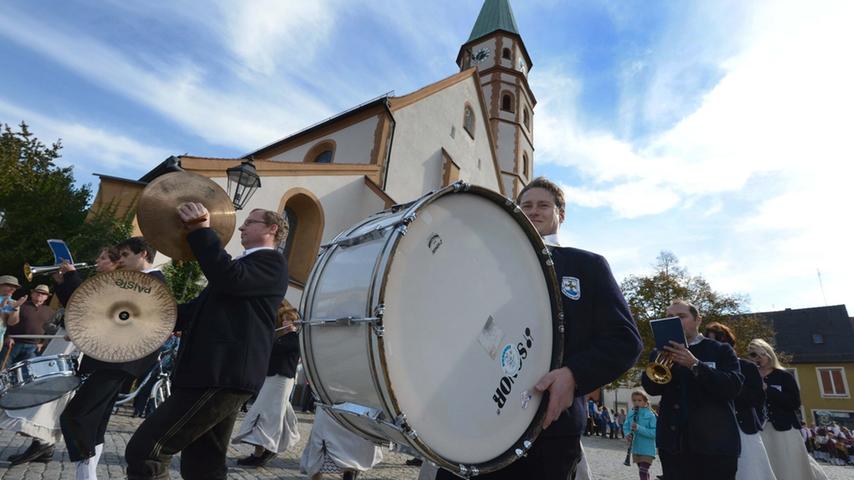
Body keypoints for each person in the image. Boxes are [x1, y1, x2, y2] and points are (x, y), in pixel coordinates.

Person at [437, 176, 642, 479]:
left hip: (549, 427)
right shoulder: (485, 265)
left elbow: (626, 340)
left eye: (543, 205)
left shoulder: (587, 265)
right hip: (475, 421)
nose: (533, 211)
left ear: (561, 214)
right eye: (526, 205)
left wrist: (574, 374)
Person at [125, 205, 288, 480]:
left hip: (221, 374)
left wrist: (202, 231)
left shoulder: (271, 263)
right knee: (204, 465)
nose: (241, 227)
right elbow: (194, 311)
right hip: (213, 373)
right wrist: (147, 315)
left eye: (250, 222)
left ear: (272, 229)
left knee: (147, 451)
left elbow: (229, 279)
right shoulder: (242, 266)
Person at [1, 247, 119, 466]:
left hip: (76, 341)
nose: (97, 260)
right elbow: (73, 303)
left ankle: (43, 444)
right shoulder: (99, 280)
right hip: (66, 336)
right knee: (45, 386)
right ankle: (42, 445)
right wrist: (61, 282)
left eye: (103, 258)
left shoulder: (112, 283)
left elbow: (87, 306)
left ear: (115, 263)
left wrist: (72, 276)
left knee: (53, 389)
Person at [59, 239, 165, 480]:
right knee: (95, 421)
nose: (121, 259)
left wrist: (73, 280)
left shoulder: (151, 282)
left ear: (143, 254)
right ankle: (88, 475)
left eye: (126, 254)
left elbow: (118, 318)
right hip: (113, 359)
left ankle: (86, 476)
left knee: (77, 417)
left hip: (120, 361)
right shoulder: (139, 281)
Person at [641, 299, 743, 480]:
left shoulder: (720, 350)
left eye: (681, 316)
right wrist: (662, 361)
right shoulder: (659, 352)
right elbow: (651, 388)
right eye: (669, 317)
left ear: (698, 320)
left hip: (714, 445)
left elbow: (732, 387)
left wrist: (695, 365)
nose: (674, 321)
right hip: (674, 444)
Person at [232, 299, 302, 467]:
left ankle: (263, 451)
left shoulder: (294, 339)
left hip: (282, 380)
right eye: (285, 319)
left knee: (266, 414)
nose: (286, 322)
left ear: (295, 322)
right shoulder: (279, 337)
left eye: (290, 320)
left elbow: (275, 349)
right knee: (273, 414)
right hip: (271, 379)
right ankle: (264, 450)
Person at [747, 338, 828, 479]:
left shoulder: (783, 376)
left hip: (784, 428)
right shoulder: (750, 377)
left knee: (789, 465)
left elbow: (794, 403)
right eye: (753, 355)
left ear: (769, 354)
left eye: (761, 354)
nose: (758, 358)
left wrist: (769, 390)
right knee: (769, 465)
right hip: (761, 428)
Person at [705, 322, 777, 480]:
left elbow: (757, 398)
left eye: (718, 342)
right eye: (711, 342)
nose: (715, 347)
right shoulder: (706, 367)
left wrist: (729, 386)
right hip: (712, 428)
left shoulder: (747, 367)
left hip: (742, 427)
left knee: (750, 471)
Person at [1, 283, 54, 364]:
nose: (40, 294)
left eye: (43, 294)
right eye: (37, 292)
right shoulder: (20, 305)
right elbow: (7, 320)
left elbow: (50, 329)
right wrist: (8, 336)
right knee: (3, 368)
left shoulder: (50, 311)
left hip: (33, 347)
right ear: (32, 294)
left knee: (25, 374)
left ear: (46, 297)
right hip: (13, 343)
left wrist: (42, 343)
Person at [623, 390, 657, 480]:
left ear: (645, 402)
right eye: (634, 400)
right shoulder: (631, 414)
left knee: (643, 470)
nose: (636, 402)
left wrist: (639, 428)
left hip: (647, 449)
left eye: (639, 400)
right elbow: (625, 427)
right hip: (636, 448)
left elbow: (654, 433)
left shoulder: (650, 415)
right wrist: (627, 435)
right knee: (643, 471)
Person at [0, 275, 25, 358]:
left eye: (15, 287)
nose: (13, 289)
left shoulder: (13, 302)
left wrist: (15, 308)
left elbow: (12, 323)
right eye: (9, 286)